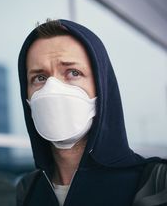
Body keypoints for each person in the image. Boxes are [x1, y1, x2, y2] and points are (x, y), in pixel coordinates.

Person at [16, 19, 167, 206]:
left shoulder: (155, 184)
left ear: (101, 87)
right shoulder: (29, 189)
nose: (52, 89)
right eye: (40, 77)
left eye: (73, 72)